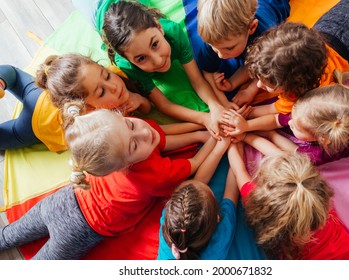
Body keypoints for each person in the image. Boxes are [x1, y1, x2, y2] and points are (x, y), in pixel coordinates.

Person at [0, 104, 217, 260]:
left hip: (59, 201)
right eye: (133, 145)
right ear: (123, 165)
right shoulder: (154, 176)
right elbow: (195, 163)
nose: (144, 131)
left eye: (131, 124)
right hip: (80, 229)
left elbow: (162, 139)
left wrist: (198, 135)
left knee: (8, 235)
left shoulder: (117, 139)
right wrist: (216, 140)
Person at [222, 0, 349, 135]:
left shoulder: (297, 94)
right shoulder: (301, 46)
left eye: (267, 85)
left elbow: (272, 112)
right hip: (335, 21)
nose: (259, 86)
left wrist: (245, 116)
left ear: (293, 84)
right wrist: (250, 91)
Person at [97, 0, 226, 139]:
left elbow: (197, 81)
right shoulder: (127, 66)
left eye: (155, 44)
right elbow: (163, 105)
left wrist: (215, 106)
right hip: (99, 10)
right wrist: (204, 118)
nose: (158, 61)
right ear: (128, 60)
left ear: (159, 27)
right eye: (141, 58)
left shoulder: (174, 32)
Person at [227, 146, 349, 259]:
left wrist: (234, 138)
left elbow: (239, 170)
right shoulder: (315, 198)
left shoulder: (259, 203)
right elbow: (285, 158)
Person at [230, 70, 349, 166]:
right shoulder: (313, 112)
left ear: (321, 138)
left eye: (296, 128)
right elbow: (276, 119)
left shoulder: (328, 149)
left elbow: (296, 153)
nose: (290, 122)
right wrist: (246, 125)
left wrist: (270, 135)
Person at [0, 54, 151, 151]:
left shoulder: (110, 76)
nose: (114, 86)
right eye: (101, 92)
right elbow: (146, 134)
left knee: (12, 73)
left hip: (42, 94)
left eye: (106, 76)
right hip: (37, 121)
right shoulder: (100, 125)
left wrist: (141, 100)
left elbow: (147, 110)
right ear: (87, 106)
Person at [197, 0, 290, 109]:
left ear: (252, 28)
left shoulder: (266, 39)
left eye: (229, 48)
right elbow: (208, 71)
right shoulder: (214, 36)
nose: (220, 55)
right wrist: (224, 102)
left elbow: (267, 69)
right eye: (214, 48)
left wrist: (250, 91)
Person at [157, 137, 239, 260]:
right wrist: (236, 144)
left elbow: (196, 183)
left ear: (170, 204)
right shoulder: (220, 236)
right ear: (217, 217)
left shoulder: (169, 222)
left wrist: (219, 149)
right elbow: (233, 185)